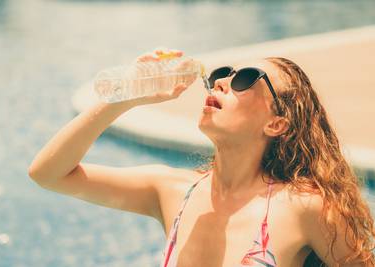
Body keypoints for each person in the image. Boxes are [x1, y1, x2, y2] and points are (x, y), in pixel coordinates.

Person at [28, 49, 375, 266]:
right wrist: (124, 97)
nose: (223, 82)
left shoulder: (305, 208)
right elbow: (48, 174)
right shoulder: (173, 191)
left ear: (277, 123)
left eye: (247, 79)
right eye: (223, 73)